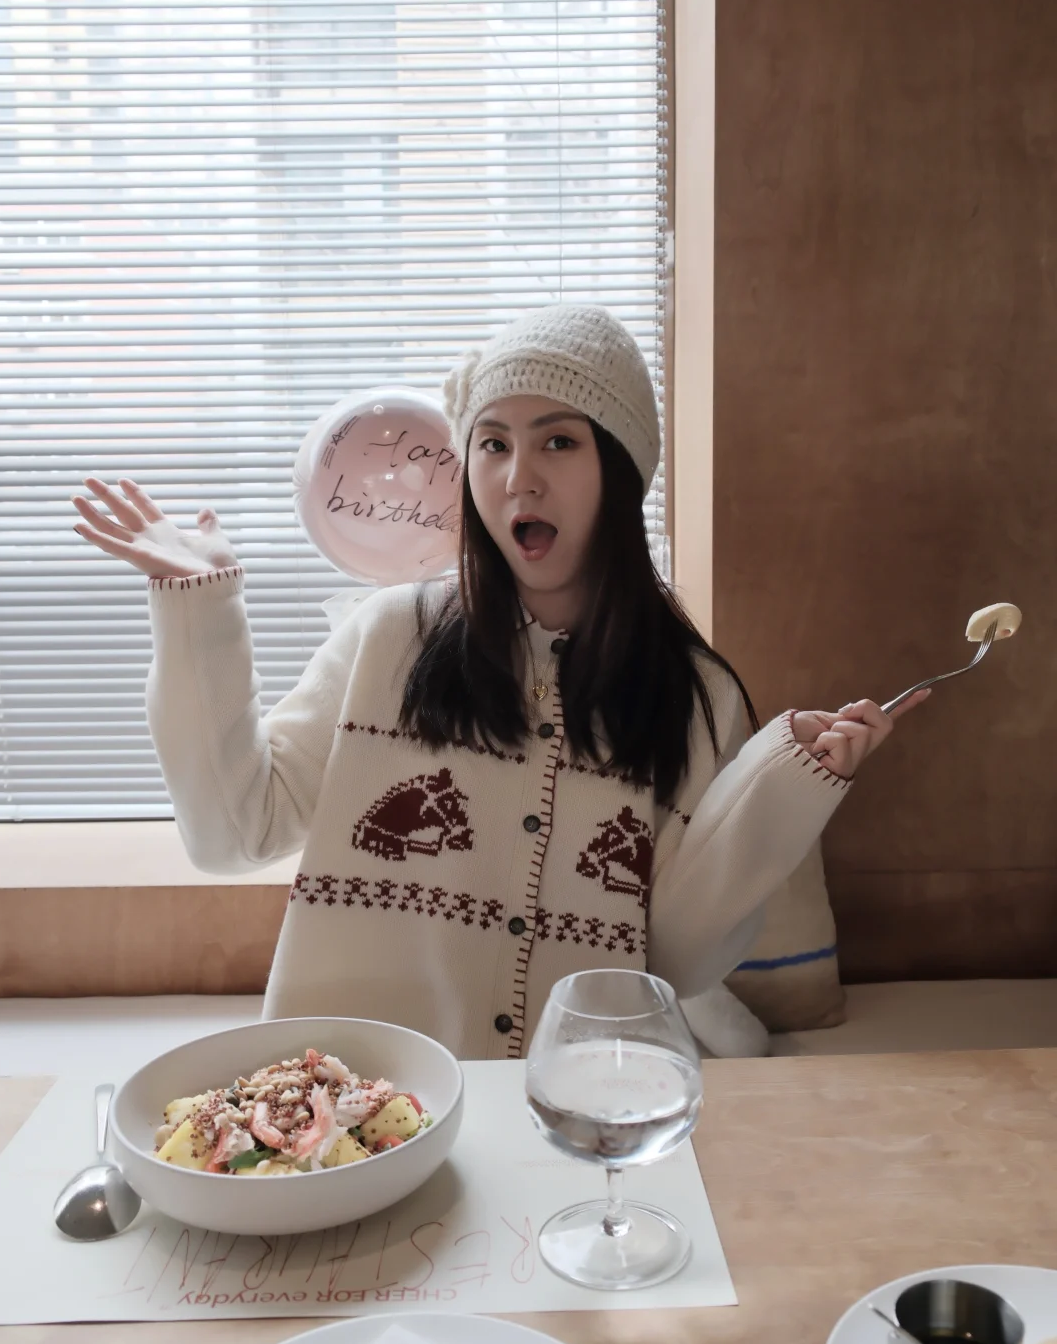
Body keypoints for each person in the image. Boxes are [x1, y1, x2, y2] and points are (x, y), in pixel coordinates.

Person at [70, 305, 926, 1060]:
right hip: (355, 1119)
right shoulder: (389, 638)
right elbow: (232, 834)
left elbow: (671, 959)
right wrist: (200, 612)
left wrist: (789, 786)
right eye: (492, 443)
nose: (518, 477)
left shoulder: (696, 697)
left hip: (575, 1109)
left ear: (622, 466)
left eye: (559, 440)